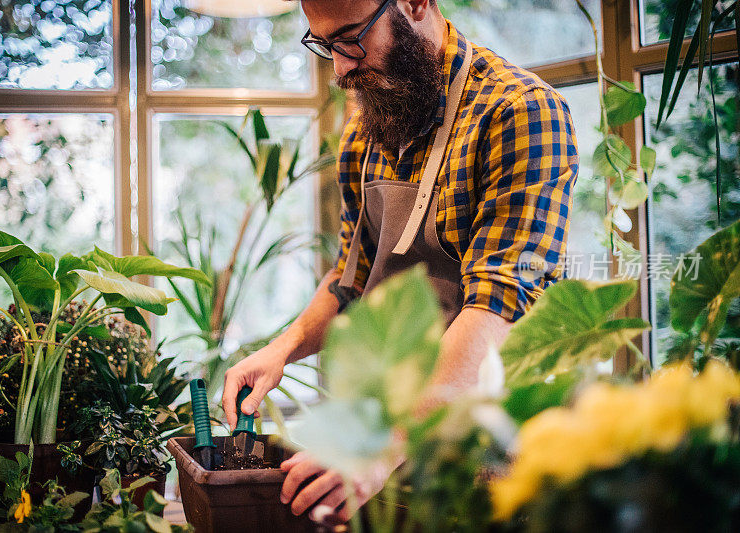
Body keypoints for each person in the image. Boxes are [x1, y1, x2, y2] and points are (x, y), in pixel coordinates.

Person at [222, 0, 579, 525]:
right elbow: (352, 280)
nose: (341, 67)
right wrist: (282, 349)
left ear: (415, 4)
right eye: (325, 45)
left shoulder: (520, 111)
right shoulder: (366, 131)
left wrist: (379, 444)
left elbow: (498, 306)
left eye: (350, 38)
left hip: (491, 448)